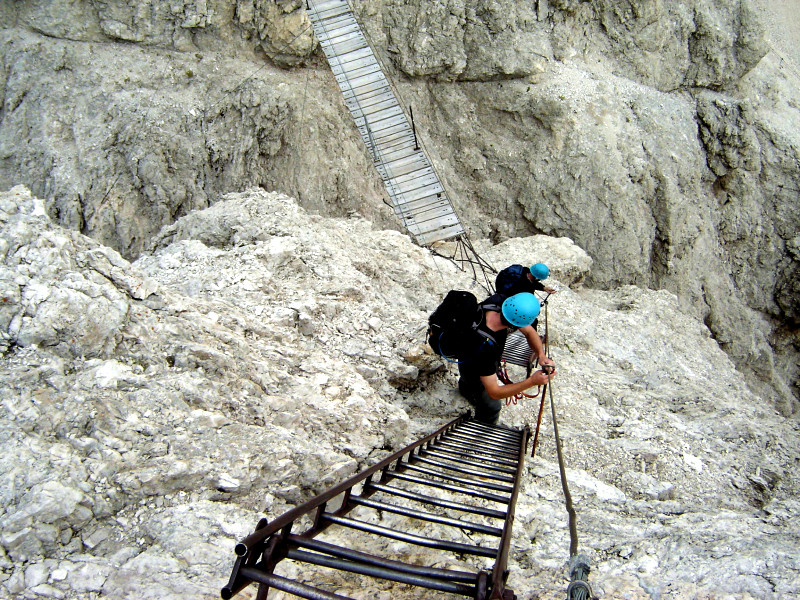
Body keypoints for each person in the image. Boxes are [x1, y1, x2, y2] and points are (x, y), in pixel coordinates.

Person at [458, 292, 556, 424]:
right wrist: (532, 381)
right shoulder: (487, 347)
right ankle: (482, 428)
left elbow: (529, 332)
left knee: (468, 377)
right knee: (493, 406)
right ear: (516, 325)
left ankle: (466, 389)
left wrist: (541, 354)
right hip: (476, 360)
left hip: (466, 352)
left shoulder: (499, 301)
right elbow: (494, 392)